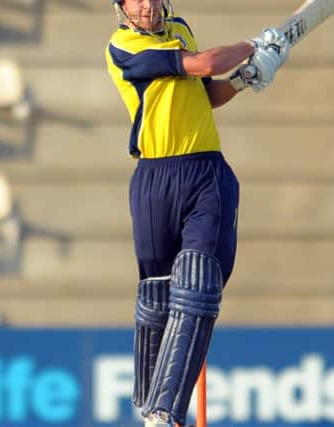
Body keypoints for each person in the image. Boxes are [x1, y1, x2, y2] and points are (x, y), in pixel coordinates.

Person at [105, 1, 290, 426]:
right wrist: (252, 44)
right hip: (154, 175)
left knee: (198, 285)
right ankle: (147, 402)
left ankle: (163, 413)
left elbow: (204, 93)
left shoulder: (181, 29)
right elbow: (202, 63)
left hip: (205, 171)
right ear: (123, 7)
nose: (148, 5)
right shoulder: (122, 46)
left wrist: (246, 79)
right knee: (157, 297)